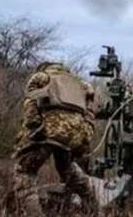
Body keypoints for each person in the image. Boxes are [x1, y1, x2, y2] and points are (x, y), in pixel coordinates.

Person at [11, 62, 96, 216]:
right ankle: (94, 207)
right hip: (74, 136)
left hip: (49, 131)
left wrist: (35, 128)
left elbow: (30, 102)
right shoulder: (80, 85)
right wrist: (85, 134)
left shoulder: (43, 77)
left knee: (25, 172)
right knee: (68, 169)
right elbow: (90, 111)